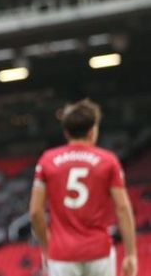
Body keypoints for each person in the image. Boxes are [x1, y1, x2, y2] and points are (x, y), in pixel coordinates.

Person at [29, 99, 138, 276]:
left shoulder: (47, 161)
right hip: (99, 253)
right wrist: (131, 254)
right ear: (93, 130)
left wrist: (47, 247)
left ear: (66, 132)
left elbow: (35, 212)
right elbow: (123, 208)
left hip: (62, 255)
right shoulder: (108, 161)